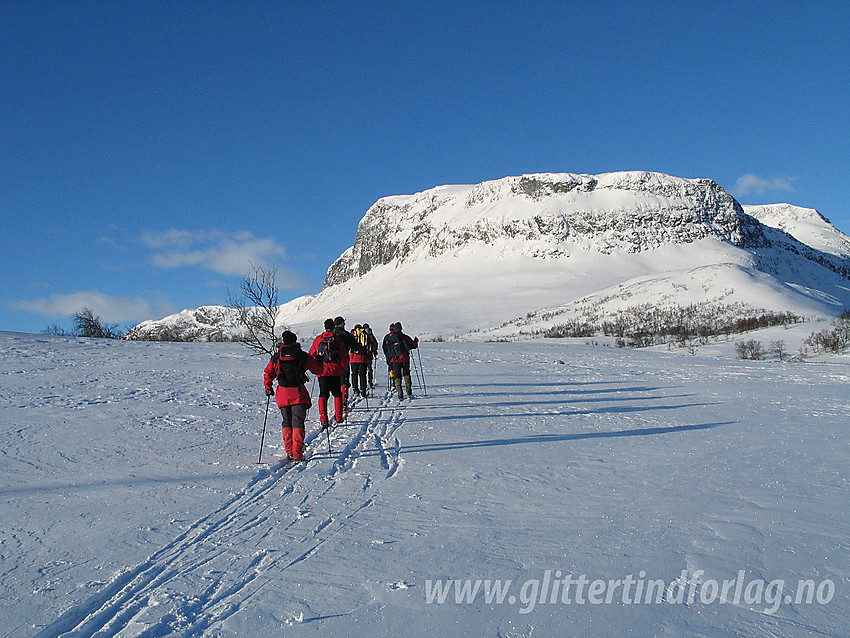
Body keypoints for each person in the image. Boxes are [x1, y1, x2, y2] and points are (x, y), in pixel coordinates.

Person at [263, 330, 323, 462]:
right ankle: (297, 454)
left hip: (282, 394)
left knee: (286, 422)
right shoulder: (301, 355)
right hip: (298, 393)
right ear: (295, 341)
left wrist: (268, 387)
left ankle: (289, 450)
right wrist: (319, 360)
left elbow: (268, 373)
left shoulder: (277, 356)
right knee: (298, 423)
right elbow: (318, 370)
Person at [309, 318, 349, 428]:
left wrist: (315, 367)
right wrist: (344, 368)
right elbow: (343, 356)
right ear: (333, 327)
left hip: (322, 372)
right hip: (336, 371)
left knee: (323, 394)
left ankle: (323, 418)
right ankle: (339, 416)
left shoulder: (318, 339)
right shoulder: (337, 339)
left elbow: (310, 354)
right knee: (337, 394)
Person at [382, 321, 419, 399]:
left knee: (397, 376)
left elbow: (384, 348)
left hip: (394, 359)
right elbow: (413, 345)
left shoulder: (388, 337)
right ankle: (409, 391)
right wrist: (416, 341)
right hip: (405, 359)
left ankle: (400, 394)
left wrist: (389, 356)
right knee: (406, 374)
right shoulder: (404, 336)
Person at [332, 316, 360, 406]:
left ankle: (337, 403)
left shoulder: (330, 333)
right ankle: (343, 401)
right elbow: (355, 346)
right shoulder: (345, 334)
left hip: (331, 362)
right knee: (344, 381)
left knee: (335, 382)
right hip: (343, 360)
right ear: (341, 323)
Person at [349, 323, 371, 398]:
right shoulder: (365, 334)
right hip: (362, 357)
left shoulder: (352, 334)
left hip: (353, 358)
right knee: (362, 375)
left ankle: (355, 389)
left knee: (354, 374)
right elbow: (368, 345)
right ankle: (363, 390)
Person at [363, 323, 379, 389]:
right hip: (369, 355)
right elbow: (375, 343)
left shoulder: (362, 335)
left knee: (363, 370)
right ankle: (370, 381)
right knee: (369, 368)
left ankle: (363, 382)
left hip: (363, 355)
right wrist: (374, 351)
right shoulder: (371, 335)